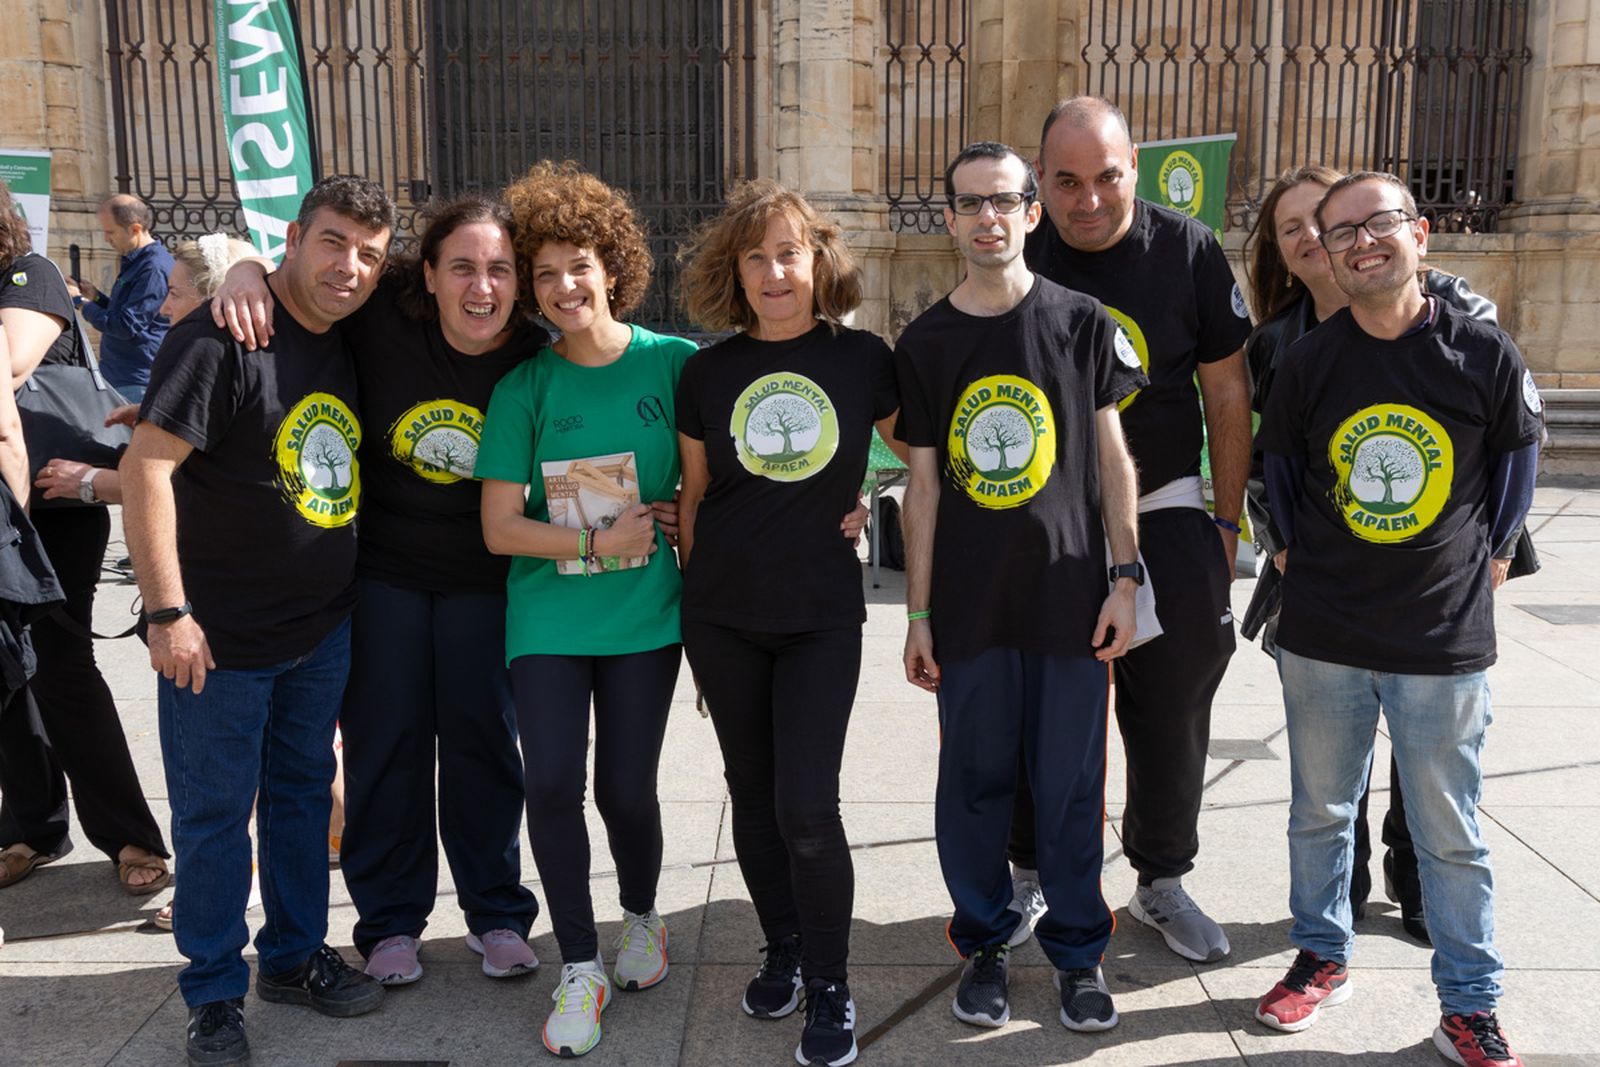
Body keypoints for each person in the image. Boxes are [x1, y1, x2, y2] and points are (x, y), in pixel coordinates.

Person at [209, 196, 547, 987]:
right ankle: (391, 922)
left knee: (485, 745)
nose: (481, 286)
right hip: (384, 574)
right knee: (383, 743)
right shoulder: (382, 319)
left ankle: (495, 911)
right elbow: (310, 289)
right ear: (426, 275)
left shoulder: (535, 353)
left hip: (488, 580)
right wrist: (244, 270)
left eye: (499, 269)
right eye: (461, 266)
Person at [1254, 171, 1538, 1067]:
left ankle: (1470, 1003)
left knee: (1449, 826)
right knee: (1319, 811)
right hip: (1326, 633)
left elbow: (1518, 457)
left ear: (1419, 233)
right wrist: (1293, 548)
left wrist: (1492, 555)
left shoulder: (1481, 351)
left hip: (1440, 638)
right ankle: (1320, 956)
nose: (1360, 242)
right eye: (1342, 233)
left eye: (1378, 224)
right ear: (1328, 254)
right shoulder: (1308, 359)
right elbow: (1283, 466)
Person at [120, 175, 396, 1067]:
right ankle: (211, 993)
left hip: (321, 628)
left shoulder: (347, 333)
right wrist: (168, 612)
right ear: (292, 237)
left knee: (300, 799)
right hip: (219, 640)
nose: (348, 267)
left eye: (368, 253)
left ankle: (291, 955)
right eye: (332, 243)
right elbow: (147, 470)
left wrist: (240, 268)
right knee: (210, 818)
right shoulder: (219, 338)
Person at [896, 141, 1145, 1035]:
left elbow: (1114, 459)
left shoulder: (1083, 321)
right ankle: (989, 943)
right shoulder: (925, 343)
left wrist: (1127, 577)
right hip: (969, 608)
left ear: (1032, 212)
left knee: (1073, 787)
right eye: (969, 203)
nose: (988, 217)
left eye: (1004, 200)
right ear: (951, 219)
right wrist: (918, 614)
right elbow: (921, 488)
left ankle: (1078, 952)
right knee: (973, 782)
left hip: (1072, 601)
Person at [1008, 95, 1253, 962]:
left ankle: (1161, 878)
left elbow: (1227, 393)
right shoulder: (1020, 252)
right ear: (1041, 180)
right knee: (1041, 708)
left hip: (1168, 511)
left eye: (1106, 177)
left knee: (1175, 700)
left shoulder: (1185, 248)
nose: (1086, 200)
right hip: (1053, 526)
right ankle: (1030, 872)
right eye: (1065, 181)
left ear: (1135, 167)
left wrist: (1226, 526)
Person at [675, 179, 907, 1067]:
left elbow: (921, 449)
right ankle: (783, 947)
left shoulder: (862, 359)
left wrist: (868, 496)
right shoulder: (708, 371)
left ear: (818, 262)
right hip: (724, 616)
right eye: (755, 255)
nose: (774, 271)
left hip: (820, 616)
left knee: (809, 806)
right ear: (734, 270)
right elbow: (695, 499)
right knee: (755, 797)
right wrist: (698, 610)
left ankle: (833, 979)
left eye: (789, 252)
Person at [475, 160, 695, 1059]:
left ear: (613, 265)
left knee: (625, 786)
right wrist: (598, 545)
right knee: (554, 782)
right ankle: (578, 961)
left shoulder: (676, 364)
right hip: (549, 619)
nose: (565, 286)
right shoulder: (524, 387)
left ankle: (642, 918)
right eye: (546, 272)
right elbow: (498, 527)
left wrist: (692, 512)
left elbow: (721, 479)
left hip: (646, 616)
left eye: (579, 265)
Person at [0, 178, 171, 898]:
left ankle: (132, 833)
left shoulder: (27, 275)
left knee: (63, 669)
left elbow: (10, 364)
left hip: (49, 500)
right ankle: (32, 826)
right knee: (7, 674)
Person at [35, 233, 259, 508]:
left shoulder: (199, 353)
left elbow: (159, 481)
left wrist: (87, 479)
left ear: (211, 298)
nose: (164, 309)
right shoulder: (260, 352)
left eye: (174, 294)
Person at [66, 193, 173, 402]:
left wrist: (80, 302)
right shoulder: (137, 261)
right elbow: (124, 311)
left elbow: (126, 325)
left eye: (110, 232)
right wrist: (96, 297)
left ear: (135, 229)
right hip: (122, 375)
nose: (107, 239)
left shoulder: (153, 268)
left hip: (136, 380)